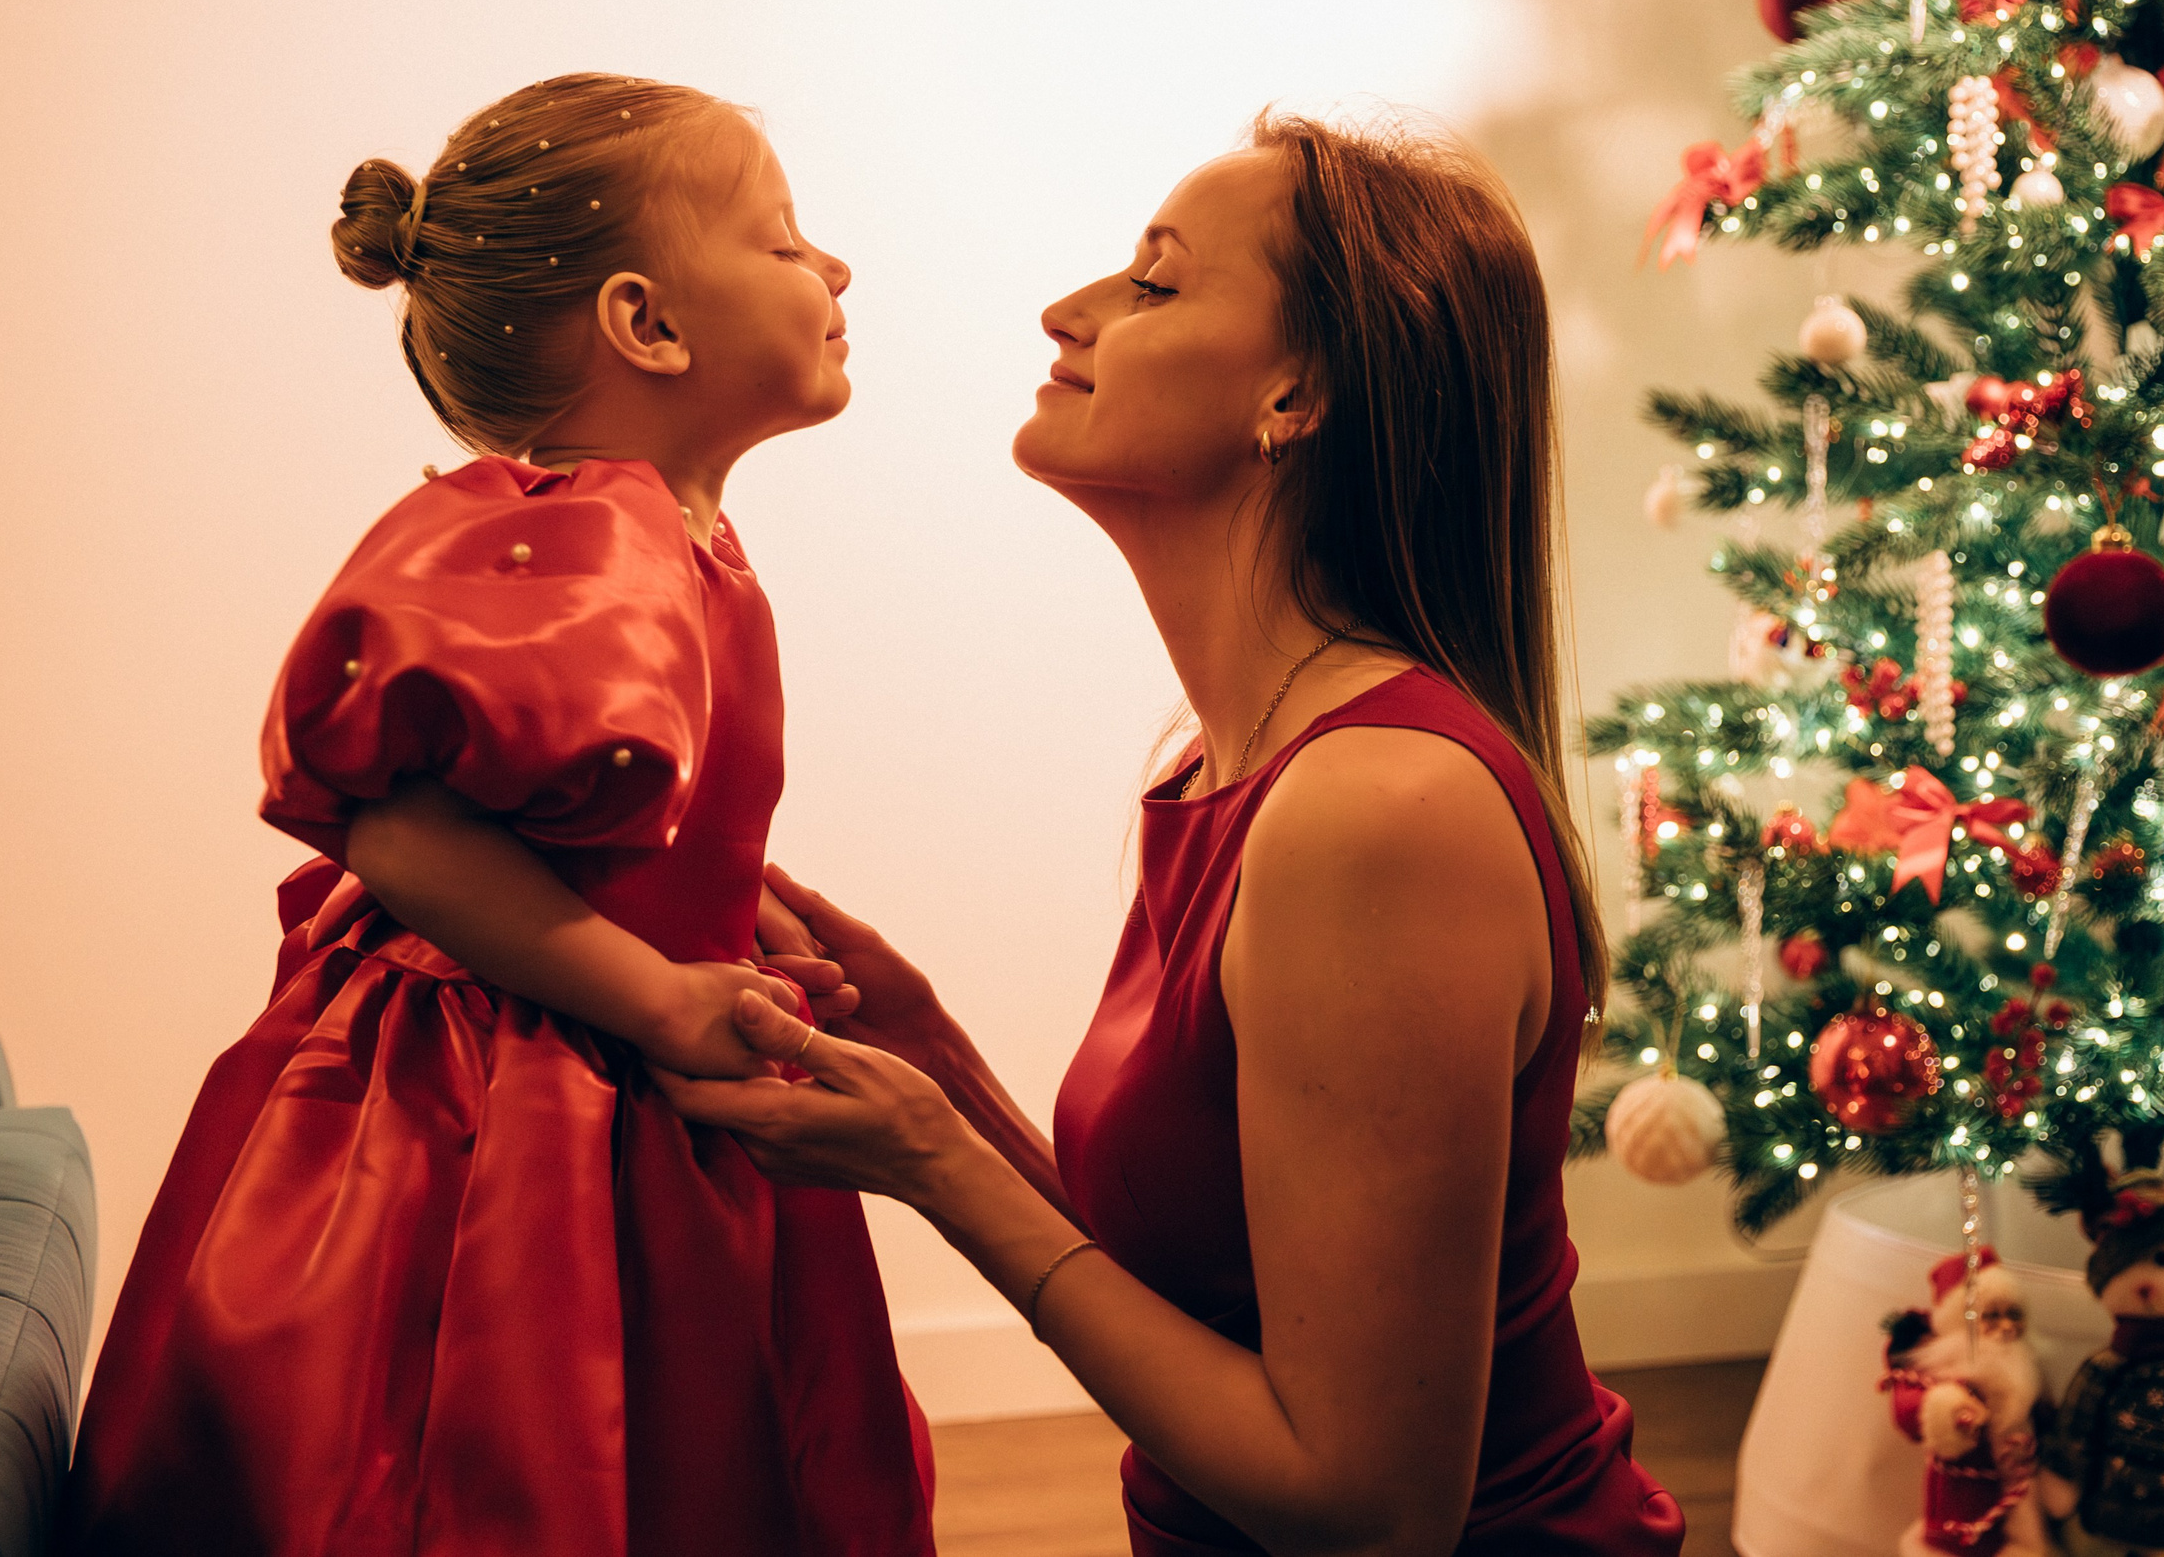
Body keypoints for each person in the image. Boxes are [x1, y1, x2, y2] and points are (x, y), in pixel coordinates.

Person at [662, 112, 1687, 1556]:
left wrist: (937, 1166)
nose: (1065, 310)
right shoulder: (1229, 763)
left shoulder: (1377, 806)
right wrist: (935, 1061)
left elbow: (1366, 1509)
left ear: (1297, 396)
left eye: (1153, 283)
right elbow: (1220, 1296)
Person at [61, 73, 933, 1557]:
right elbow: (401, 831)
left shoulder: (660, 533)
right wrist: (656, 992)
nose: (834, 267)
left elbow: (580, 815)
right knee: (508, 1444)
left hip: (611, 1051)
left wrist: (732, 912)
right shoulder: (591, 530)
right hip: (510, 1099)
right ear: (646, 324)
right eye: (786, 240)